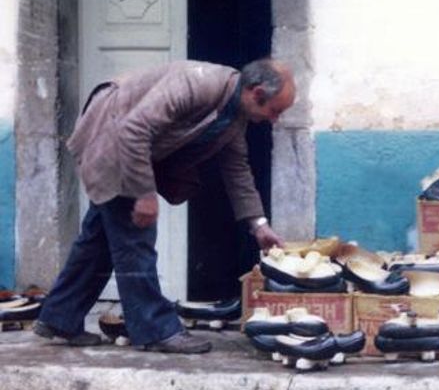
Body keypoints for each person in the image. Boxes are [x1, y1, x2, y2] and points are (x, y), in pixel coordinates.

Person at [34, 59, 293, 353]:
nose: (276, 120)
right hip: (114, 139)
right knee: (135, 240)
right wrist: (144, 194)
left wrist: (259, 225)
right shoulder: (199, 83)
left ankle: (58, 318)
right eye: (276, 111)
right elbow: (133, 129)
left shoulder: (235, 116)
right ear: (257, 93)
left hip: (133, 147)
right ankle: (156, 330)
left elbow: (237, 168)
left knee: (98, 241)